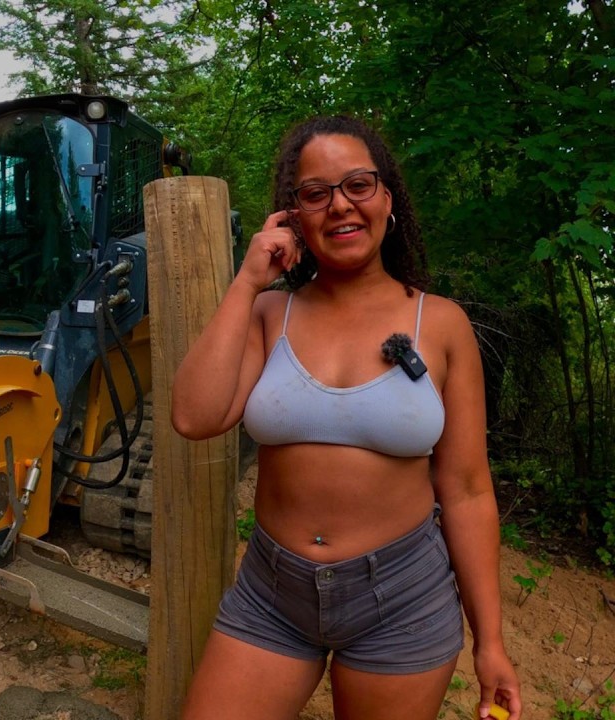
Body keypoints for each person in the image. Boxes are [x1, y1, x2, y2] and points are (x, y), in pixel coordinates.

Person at [171, 116, 521, 720]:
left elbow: (466, 490)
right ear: (292, 215)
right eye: (315, 193)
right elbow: (194, 417)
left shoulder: (440, 324)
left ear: (387, 197)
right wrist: (248, 280)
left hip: (403, 599)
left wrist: (490, 643)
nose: (339, 205)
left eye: (357, 184)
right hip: (271, 596)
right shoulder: (268, 312)